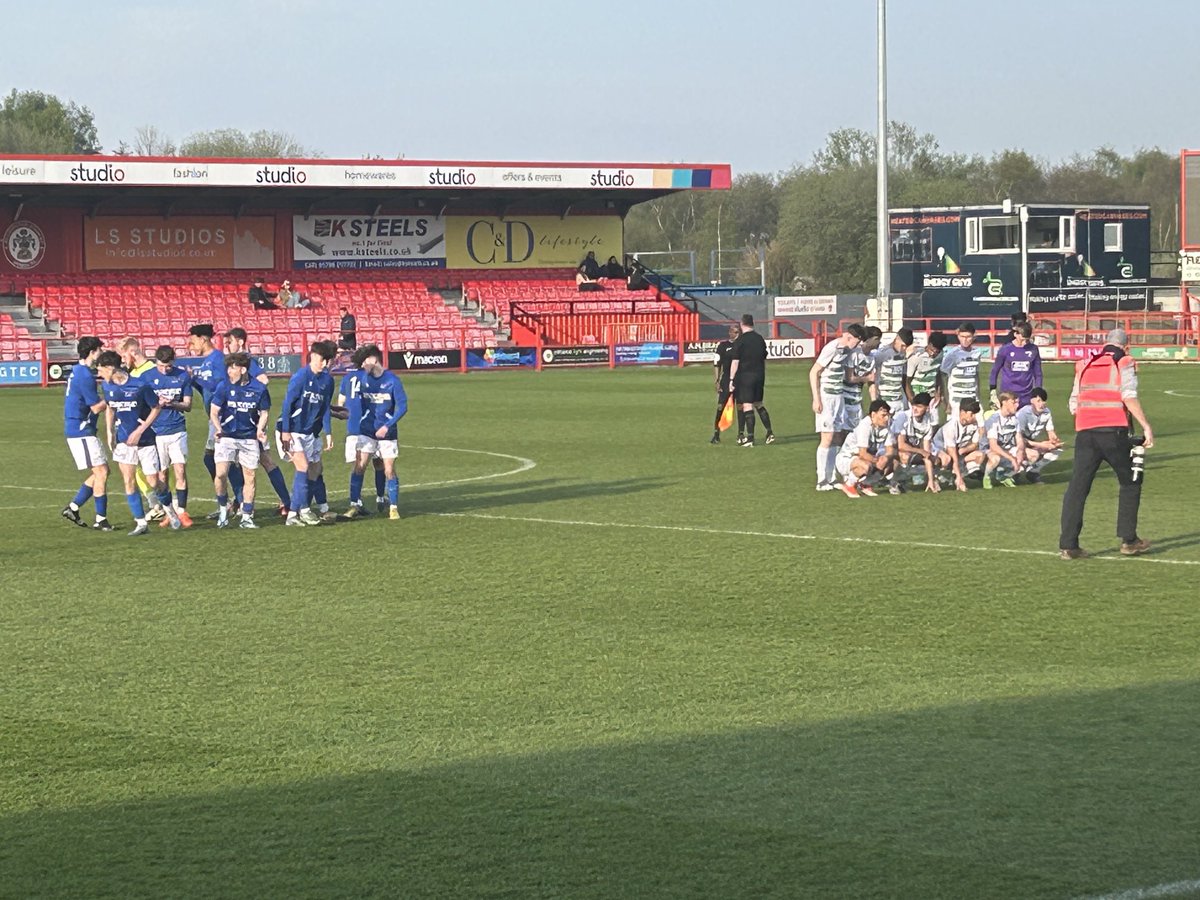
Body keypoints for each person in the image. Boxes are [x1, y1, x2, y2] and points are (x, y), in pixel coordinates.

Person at [1059, 328, 1154, 559]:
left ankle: (1068, 545)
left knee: (1077, 488)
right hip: (1113, 431)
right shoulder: (1124, 362)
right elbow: (1128, 395)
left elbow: (1073, 402)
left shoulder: (1085, 364)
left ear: (1105, 344)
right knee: (1131, 480)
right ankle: (1129, 540)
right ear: (1126, 345)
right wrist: (1146, 426)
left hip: (1085, 433)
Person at [96, 351, 181, 535]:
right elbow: (110, 407)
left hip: (146, 440)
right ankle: (141, 523)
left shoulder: (140, 385)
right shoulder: (107, 386)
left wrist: (139, 431)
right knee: (128, 480)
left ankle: (168, 507)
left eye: (101, 369)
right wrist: (110, 432)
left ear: (111, 368)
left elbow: (156, 407)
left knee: (154, 482)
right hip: (123, 441)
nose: (99, 373)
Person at [224, 327, 293, 515]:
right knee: (237, 462)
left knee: (264, 461)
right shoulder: (232, 364)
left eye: (229, 342)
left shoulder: (246, 361)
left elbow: (263, 379)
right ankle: (243, 501)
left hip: (251, 422)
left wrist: (247, 396)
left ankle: (284, 502)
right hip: (237, 422)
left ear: (239, 342)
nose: (226, 346)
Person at [280, 341, 341, 527]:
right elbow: (287, 404)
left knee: (315, 470)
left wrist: (328, 432)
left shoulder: (327, 381)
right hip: (293, 430)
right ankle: (297, 513)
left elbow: (324, 409)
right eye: (323, 360)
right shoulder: (300, 377)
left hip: (311, 433)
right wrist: (285, 431)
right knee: (303, 467)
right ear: (313, 356)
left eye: (328, 361)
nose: (325, 364)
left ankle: (303, 509)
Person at [209, 352, 272, 529]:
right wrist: (218, 428)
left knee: (250, 477)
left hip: (248, 438)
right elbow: (214, 411)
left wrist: (260, 430)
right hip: (226, 436)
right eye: (228, 368)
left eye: (233, 368)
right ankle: (223, 507)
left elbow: (265, 412)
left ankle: (247, 516)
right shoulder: (223, 387)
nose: (229, 372)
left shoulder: (259, 389)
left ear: (243, 369)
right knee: (220, 474)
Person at [61, 336, 112, 530]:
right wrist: (114, 395)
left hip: (78, 427)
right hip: (81, 428)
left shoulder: (77, 371)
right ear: (92, 352)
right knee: (101, 472)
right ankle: (101, 519)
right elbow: (97, 407)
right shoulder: (85, 375)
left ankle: (73, 508)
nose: (101, 354)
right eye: (99, 350)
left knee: (102, 471)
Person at [143, 345, 195, 528]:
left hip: (177, 430)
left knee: (180, 470)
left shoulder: (182, 376)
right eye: (160, 366)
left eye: (168, 366)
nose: (164, 370)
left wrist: (172, 403)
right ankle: (169, 512)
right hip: (156, 432)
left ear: (173, 362)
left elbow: (188, 405)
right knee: (162, 474)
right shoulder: (147, 377)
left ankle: (182, 511)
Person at [809, 323, 866, 489]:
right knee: (826, 438)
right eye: (857, 340)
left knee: (835, 437)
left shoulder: (847, 350)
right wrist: (816, 398)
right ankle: (821, 480)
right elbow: (814, 372)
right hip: (826, 398)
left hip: (838, 397)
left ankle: (831, 477)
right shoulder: (831, 348)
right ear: (849, 337)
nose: (858, 344)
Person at [338, 346, 389, 519]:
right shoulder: (371, 377)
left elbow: (341, 403)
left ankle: (356, 502)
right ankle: (380, 497)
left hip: (353, 427)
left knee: (359, 466)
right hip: (370, 427)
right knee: (378, 463)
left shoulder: (347, 378)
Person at [359, 345, 408, 520]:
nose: (363, 365)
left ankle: (393, 507)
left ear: (374, 360)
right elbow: (362, 405)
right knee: (364, 465)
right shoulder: (364, 380)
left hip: (387, 433)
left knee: (388, 469)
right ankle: (376, 498)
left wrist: (387, 425)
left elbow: (403, 407)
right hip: (367, 431)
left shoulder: (393, 381)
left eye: (365, 361)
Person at [727, 314, 773, 447]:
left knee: (747, 405)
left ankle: (750, 439)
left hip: (746, 376)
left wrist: (731, 380)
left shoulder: (740, 341)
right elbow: (764, 355)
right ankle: (769, 433)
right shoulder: (759, 339)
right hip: (760, 376)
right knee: (758, 403)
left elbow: (735, 362)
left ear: (742, 324)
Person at [834, 399, 895, 499]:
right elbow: (862, 453)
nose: (887, 418)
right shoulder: (864, 425)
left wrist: (886, 458)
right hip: (847, 458)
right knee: (866, 466)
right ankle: (849, 485)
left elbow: (890, 450)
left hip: (864, 458)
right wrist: (876, 461)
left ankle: (866, 484)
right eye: (883, 415)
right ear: (873, 415)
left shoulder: (886, 426)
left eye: (887, 415)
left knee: (888, 462)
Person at [890, 391, 940, 493]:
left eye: (919, 406)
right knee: (905, 456)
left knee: (937, 460)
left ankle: (930, 480)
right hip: (892, 449)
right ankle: (894, 482)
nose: (915, 409)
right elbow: (901, 445)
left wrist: (931, 480)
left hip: (912, 450)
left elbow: (926, 451)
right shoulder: (903, 417)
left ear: (927, 408)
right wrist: (921, 452)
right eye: (914, 406)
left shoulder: (928, 423)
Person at [933, 397, 985, 492]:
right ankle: (936, 477)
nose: (974, 417)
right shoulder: (951, 426)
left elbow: (975, 444)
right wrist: (959, 477)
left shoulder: (974, 424)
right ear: (962, 412)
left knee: (980, 455)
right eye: (971, 414)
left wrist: (963, 450)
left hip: (958, 452)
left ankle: (958, 475)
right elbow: (951, 452)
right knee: (947, 459)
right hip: (940, 450)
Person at [1015, 387, 1064, 484]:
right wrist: (1042, 445)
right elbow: (1019, 439)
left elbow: (1051, 432)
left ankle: (1032, 472)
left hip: (1030, 443)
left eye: (1044, 401)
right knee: (1034, 455)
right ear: (1031, 401)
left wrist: (1054, 441)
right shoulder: (1023, 414)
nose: (1042, 404)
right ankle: (1014, 472)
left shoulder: (1047, 412)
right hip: (1017, 443)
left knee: (1056, 451)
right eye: (1039, 401)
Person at [989, 321, 1043, 408]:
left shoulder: (1034, 349)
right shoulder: (1005, 350)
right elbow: (995, 370)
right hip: (1008, 395)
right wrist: (993, 390)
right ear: (1015, 334)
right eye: (1022, 339)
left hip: (1026, 396)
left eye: (1027, 340)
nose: (1025, 343)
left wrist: (1038, 391)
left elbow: (1038, 373)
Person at [940, 322, 987, 419]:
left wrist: (978, 396)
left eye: (968, 336)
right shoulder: (952, 354)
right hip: (956, 399)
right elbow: (943, 376)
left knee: (978, 426)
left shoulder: (976, 353)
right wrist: (946, 400)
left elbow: (976, 375)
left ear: (973, 336)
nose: (965, 340)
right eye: (962, 336)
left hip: (972, 397)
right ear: (958, 336)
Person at [981, 391, 1025, 489]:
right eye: (1014, 403)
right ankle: (986, 477)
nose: (1017, 405)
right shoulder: (994, 419)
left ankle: (1003, 475)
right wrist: (1012, 459)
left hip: (1006, 448)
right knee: (996, 458)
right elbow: (993, 446)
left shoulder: (1015, 419)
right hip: (988, 450)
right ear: (1004, 402)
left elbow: (1019, 439)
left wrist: (1020, 451)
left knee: (1031, 455)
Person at [842, 326, 881, 433]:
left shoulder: (872, 358)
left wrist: (874, 402)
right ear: (869, 339)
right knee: (843, 433)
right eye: (877, 339)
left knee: (857, 432)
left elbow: (871, 382)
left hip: (857, 401)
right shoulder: (855, 353)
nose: (879, 342)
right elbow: (849, 378)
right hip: (844, 399)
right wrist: (867, 378)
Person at [906, 331, 948, 424]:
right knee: (916, 424)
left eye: (937, 352)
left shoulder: (940, 356)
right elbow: (907, 381)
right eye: (932, 350)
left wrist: (939, 394)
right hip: (917, 396)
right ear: (929, 344)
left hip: (931, 397)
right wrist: (912, 400)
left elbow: (938, 375)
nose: (933, 354)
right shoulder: (916, 357)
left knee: (934, 424)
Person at [871, 327, 914, 415]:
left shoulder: (904, 354)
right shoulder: (882, 353)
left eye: (906, 346)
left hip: (900, 399)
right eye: (903, 345)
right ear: (896, 339)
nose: (904, 348)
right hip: (886, 399)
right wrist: (874, 399)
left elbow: (904, 377)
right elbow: (872, 375)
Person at [710, 324, 740, 444]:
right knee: (721, 406)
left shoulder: (742, 345)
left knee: (741, 407)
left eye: (738, 332)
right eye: (735, 332)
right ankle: (716, 434)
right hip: (726, 379)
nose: (737, 335)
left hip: (740, 380)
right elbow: (717, 364)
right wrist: (717, 380)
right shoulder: (723, 346)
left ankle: (741, 434)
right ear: (730, 333)